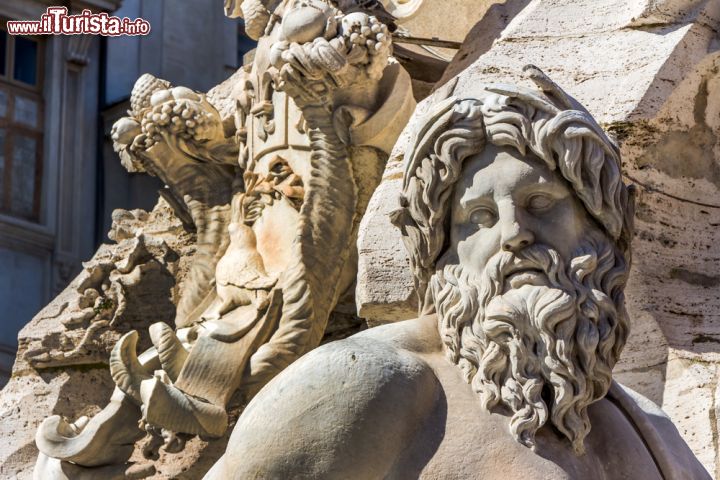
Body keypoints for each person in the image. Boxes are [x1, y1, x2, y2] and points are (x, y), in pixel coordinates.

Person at [204, 68, 711, 479]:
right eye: (480, 218)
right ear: (442, 251)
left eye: (540, 203)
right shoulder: (366, 384)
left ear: (603, 230)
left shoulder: (653, 428)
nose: (514, 233)